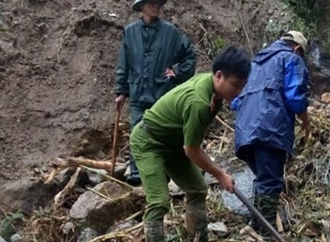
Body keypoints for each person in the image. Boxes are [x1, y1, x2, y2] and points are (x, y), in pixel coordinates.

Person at [129, 46, 252, 242]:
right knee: (159, 201)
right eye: (235, 85)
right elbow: (192, 150)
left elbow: (189, 146)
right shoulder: (198, 102)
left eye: (242, 86)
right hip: (149, 141)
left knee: (198, 189)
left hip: (173, 143)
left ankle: (198, 238)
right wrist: (220, 174)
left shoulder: (211, 87)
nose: (239, 91)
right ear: (219, 76)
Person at [232, 31, 311, 238]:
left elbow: (235, 101)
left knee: (263, 179)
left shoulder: (254, 64)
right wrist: (306, 123)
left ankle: (254, 226)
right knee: (271, 182)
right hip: (271, 128)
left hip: (243, 131)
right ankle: (268, 234)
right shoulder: (292, 58)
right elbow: (295, 97)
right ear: (298, 48)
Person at [114, 0, 197, 186]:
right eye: (151, 2)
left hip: (162, 93)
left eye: (158, 2)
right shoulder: (130, 32)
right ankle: (137, 175)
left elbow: (190, 55)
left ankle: (163, 172)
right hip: (138, 93)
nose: (156, 6)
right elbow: (123, 64)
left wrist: (177, 72)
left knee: (160, 134)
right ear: (141, 6)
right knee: (137, 133)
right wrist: (121, 91)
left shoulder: (171, 32)